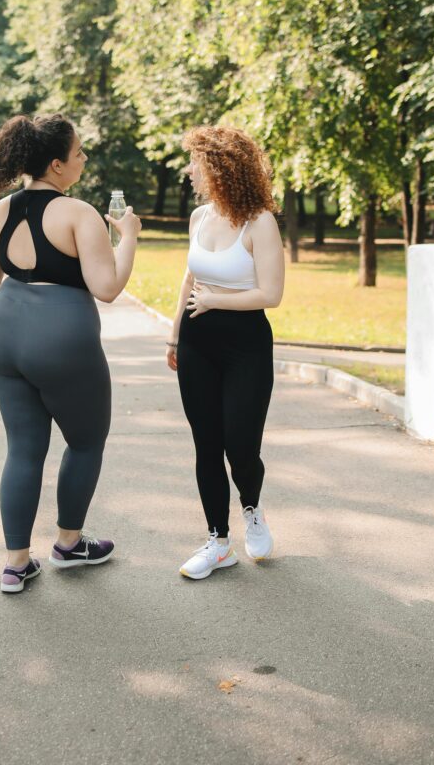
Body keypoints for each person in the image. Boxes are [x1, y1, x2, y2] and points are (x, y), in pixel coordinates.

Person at [0, 112, 141, 593]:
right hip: (61, 335)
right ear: (57, 164)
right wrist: (128, 239)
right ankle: (68, 544)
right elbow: (106, 287)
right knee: (85, 441)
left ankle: (15, 564)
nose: (84, 158)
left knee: (23, 448)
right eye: (79, 152)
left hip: (3, 332)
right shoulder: (79, 213)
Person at [166, 126, 284, 581]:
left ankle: (252, 509)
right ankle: (218, 541)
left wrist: (216, 301)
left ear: (219, 167)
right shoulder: (199, 218)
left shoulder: (260, 222)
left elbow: (270, 294)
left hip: (246, 345)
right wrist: (175, 335)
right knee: (206, 444)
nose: (190, 170)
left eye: (196, 161)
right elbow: (189, 279)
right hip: (197, 342)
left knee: (240, 444)